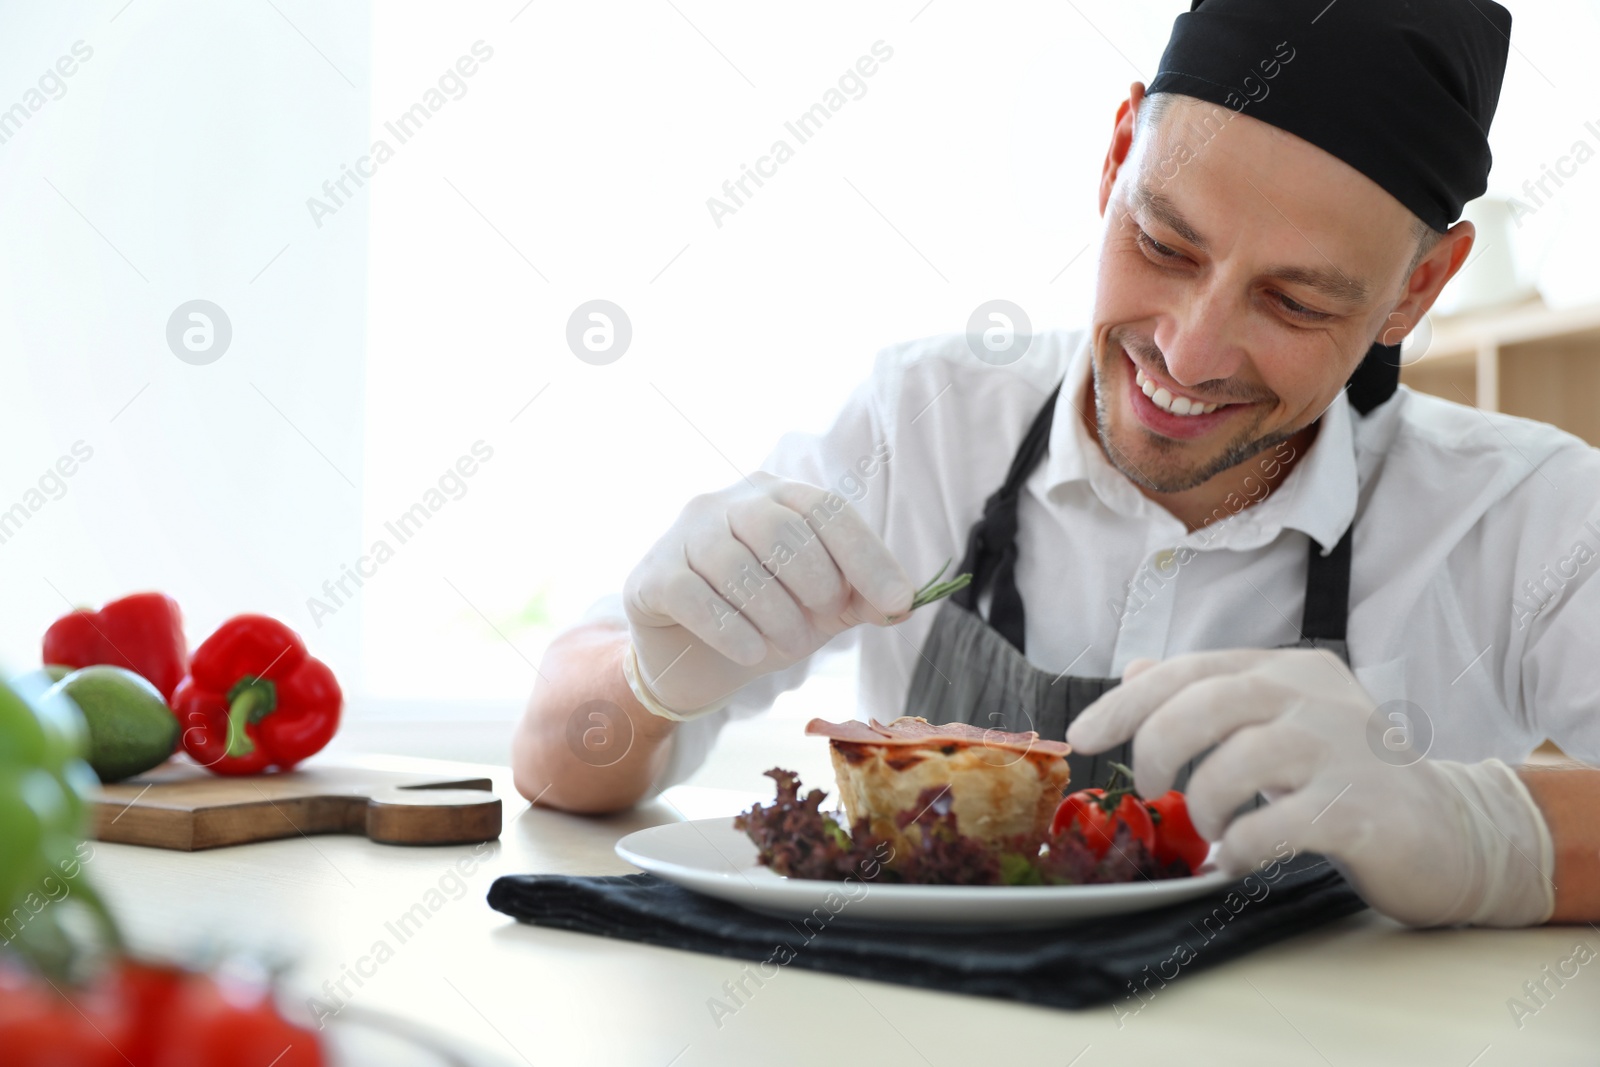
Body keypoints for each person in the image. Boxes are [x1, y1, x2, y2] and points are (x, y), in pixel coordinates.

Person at [512, 0, 1600, 927]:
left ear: (1416, 290)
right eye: (1164, 244)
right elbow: (556, 761)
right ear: (1117, 149)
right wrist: (651, 679)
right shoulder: (923, 421)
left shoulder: (1529, 515)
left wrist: (1485, 831)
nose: (1186, 349)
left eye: (1295, 300)